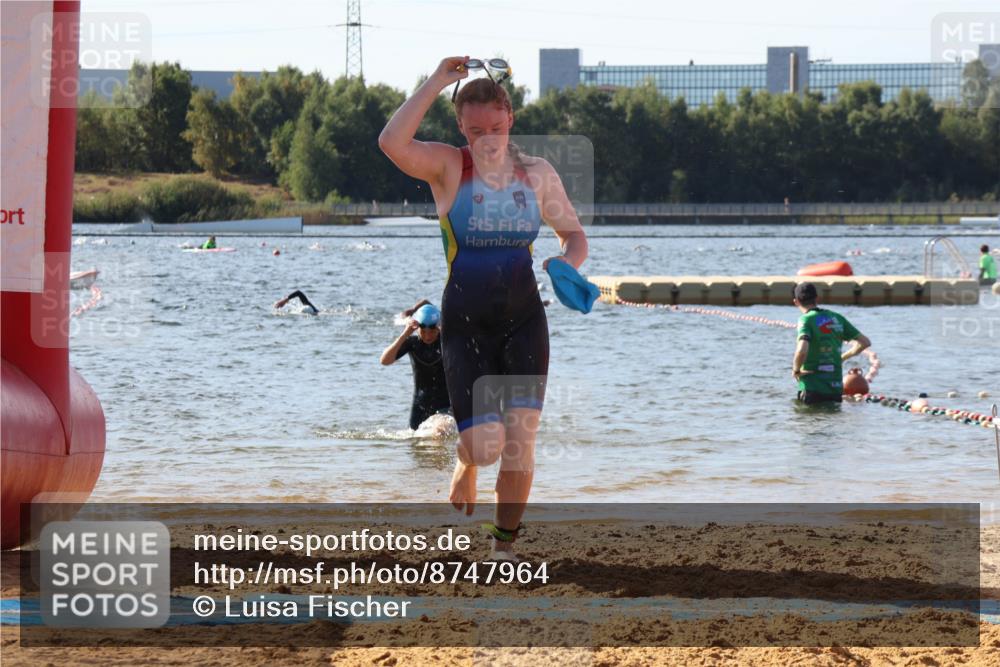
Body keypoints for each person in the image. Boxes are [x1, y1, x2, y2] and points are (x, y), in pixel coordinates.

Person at [379, 57, 588, 557]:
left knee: (519, 443)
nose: (488, 137)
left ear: (511, 118)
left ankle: (503, 546)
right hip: (465, 323)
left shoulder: (537, 174)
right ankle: (466, 463)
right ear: (461, 128)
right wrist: (436, 80)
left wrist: (567, 265)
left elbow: (574, 236)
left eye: (496, 126)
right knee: (486, 447)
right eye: (476, 130)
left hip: (524, 320)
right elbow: (391, 143)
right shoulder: (449, 168)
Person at [792, 282, 871, 405]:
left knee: (807, 422)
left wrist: (796, 369)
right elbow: (865, 342)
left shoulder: (805, 319)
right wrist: (843, 357)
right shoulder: (837, 317)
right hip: (835, 387)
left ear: (796, 302)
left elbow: (802, 349)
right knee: (832, 421)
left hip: (812, 387)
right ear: (817, 298)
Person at [380, 301, 451, 431]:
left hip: (445, 405)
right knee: (416, 443)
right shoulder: (412, 343)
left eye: (432, 331)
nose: (428, 336)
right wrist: (405, 334)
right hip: (420, 405)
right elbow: (385, 360)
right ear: (417, 328)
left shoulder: (446, 342)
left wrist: (447, 334)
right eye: (423, 331)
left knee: (439, 431)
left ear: (439, 327)